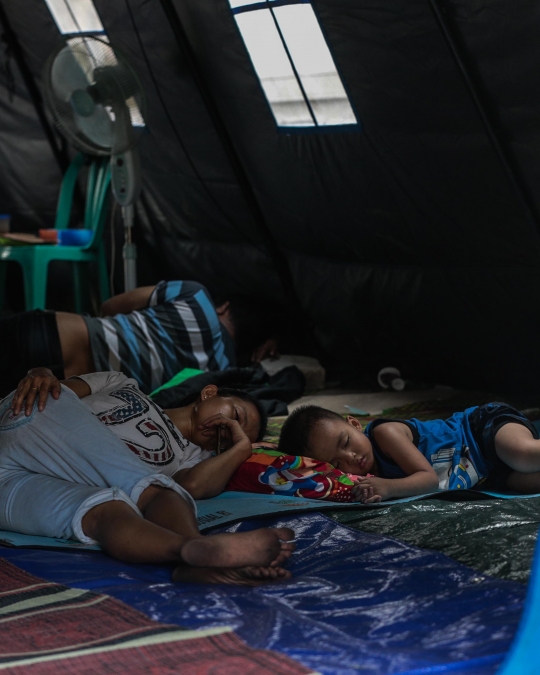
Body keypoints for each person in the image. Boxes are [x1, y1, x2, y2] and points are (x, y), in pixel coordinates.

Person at [0, 368, 295, 585]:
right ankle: (200, 549)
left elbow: (192, 486)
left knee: (108, 512)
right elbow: (56, 391)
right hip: (25, 419)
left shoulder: (190, 457)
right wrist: (42, 373)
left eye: (232, 433)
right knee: (147, 489)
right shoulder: (122, 382)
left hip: (7, 481)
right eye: (235, 415)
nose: (225, 427)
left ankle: (189, 555)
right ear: (210, 392)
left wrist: (241, 447)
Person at [0, 280, 279, 397]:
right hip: (66, 391)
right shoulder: (220, 375)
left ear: (225, 307)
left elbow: (110, 306)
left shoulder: (195, 295)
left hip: (53, 334)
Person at [277, 403, 540, 502]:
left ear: (355, 424)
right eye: (337, 462)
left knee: (524, 455)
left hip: (481, 432)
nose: (350, 458)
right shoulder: (363, 476)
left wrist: (389, 488)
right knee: (528, 482)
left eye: (346, 441)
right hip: (488, 474)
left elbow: (427, 479)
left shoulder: (385, 434)